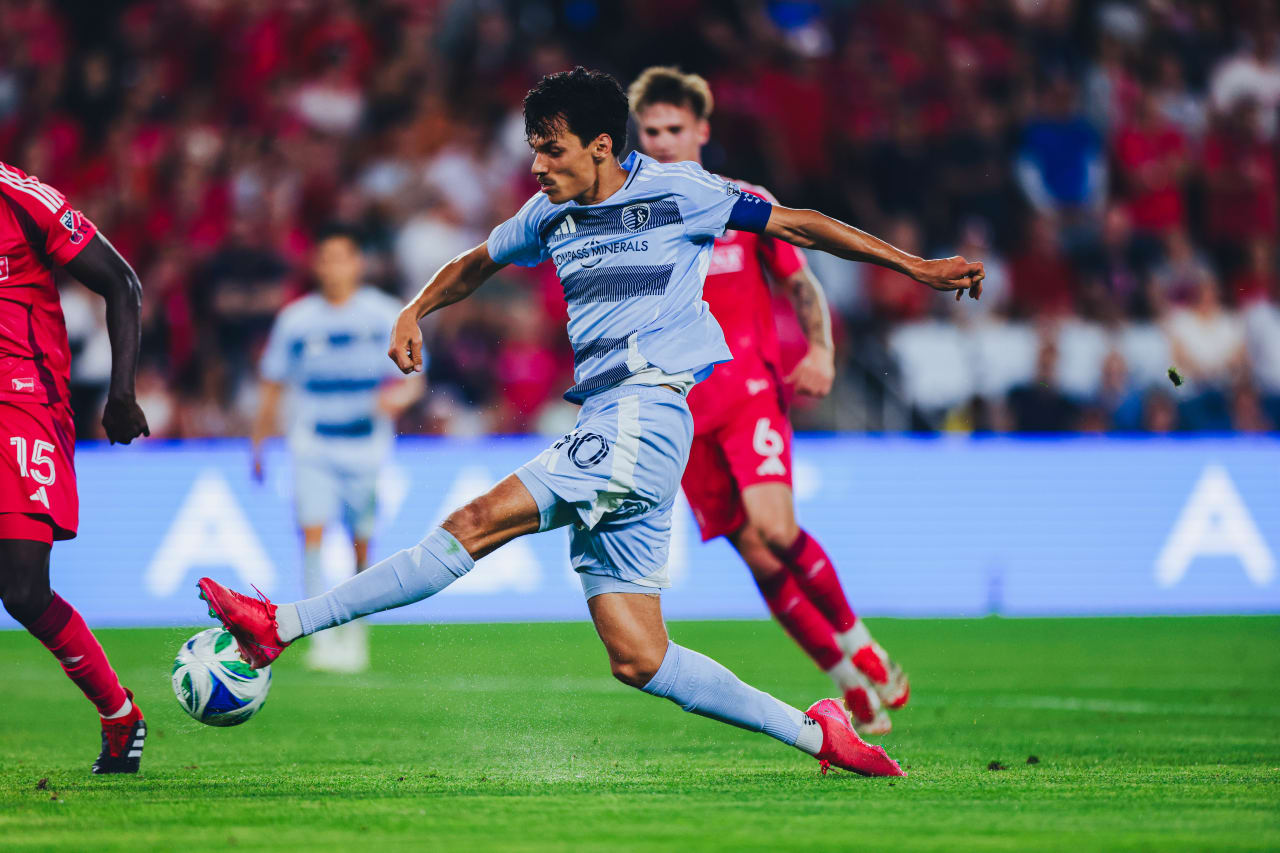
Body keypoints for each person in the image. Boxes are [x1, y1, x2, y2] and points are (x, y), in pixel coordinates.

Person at [199, 67, 982, 777]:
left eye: (552, 149)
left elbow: (800, 224)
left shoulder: (683, 191)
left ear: (602, 146)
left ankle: (283, 623)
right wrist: (416, 307)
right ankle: (820, 733)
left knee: (475, 521)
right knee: (640, 657)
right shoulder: (549, 213)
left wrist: (915, 268)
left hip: (645, 410)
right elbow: (478, 259)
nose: (538, 165)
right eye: (535, 149)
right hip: (621, 422)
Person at [628, 66, 906, 734]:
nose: (664, 142)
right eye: (652, 131)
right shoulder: (634, 218)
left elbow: (801, 280)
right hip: (682, 413)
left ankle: (860, 639)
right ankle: (849, 681)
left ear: (702, 131)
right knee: (754, 552)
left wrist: (822, 350)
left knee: (777, 528)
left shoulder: (741, 203)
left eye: (675, 129)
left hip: (749, 387)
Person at [0, 161, 150, 773]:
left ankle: (120, 716)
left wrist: (120, 393)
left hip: (23, 402)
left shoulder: (21, 198)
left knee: (24, 590)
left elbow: (121, 283)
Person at [252, 224, 423, 672]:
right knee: (311, 532)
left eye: (342, 258)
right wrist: (258, 440)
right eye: (325, 259)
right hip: (312, 440)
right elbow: (272, 382)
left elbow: (414, 376)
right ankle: (318, 634)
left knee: (360, 541)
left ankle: (356, 633)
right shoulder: (296, 319)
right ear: (316, 266)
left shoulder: (385, 313)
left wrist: (399, 396)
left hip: (366, 442)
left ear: (357, 264)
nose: (333, 268)